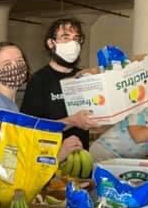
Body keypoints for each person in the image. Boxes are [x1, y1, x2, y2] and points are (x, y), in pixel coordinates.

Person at [0, 41, 82, 163]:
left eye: (20, 62)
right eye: (7, 64)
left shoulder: (8, 104)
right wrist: (58, 156)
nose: (15, 67)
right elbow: (11, 163)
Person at [19, 18, 97, 148]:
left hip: (82, 158)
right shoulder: (38, 80)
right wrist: (71, 121)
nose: (73, 44)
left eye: (77, 39)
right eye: (65, 37)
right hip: (50, 160)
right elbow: (29, 128)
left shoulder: (83, 76)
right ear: (51, 43)